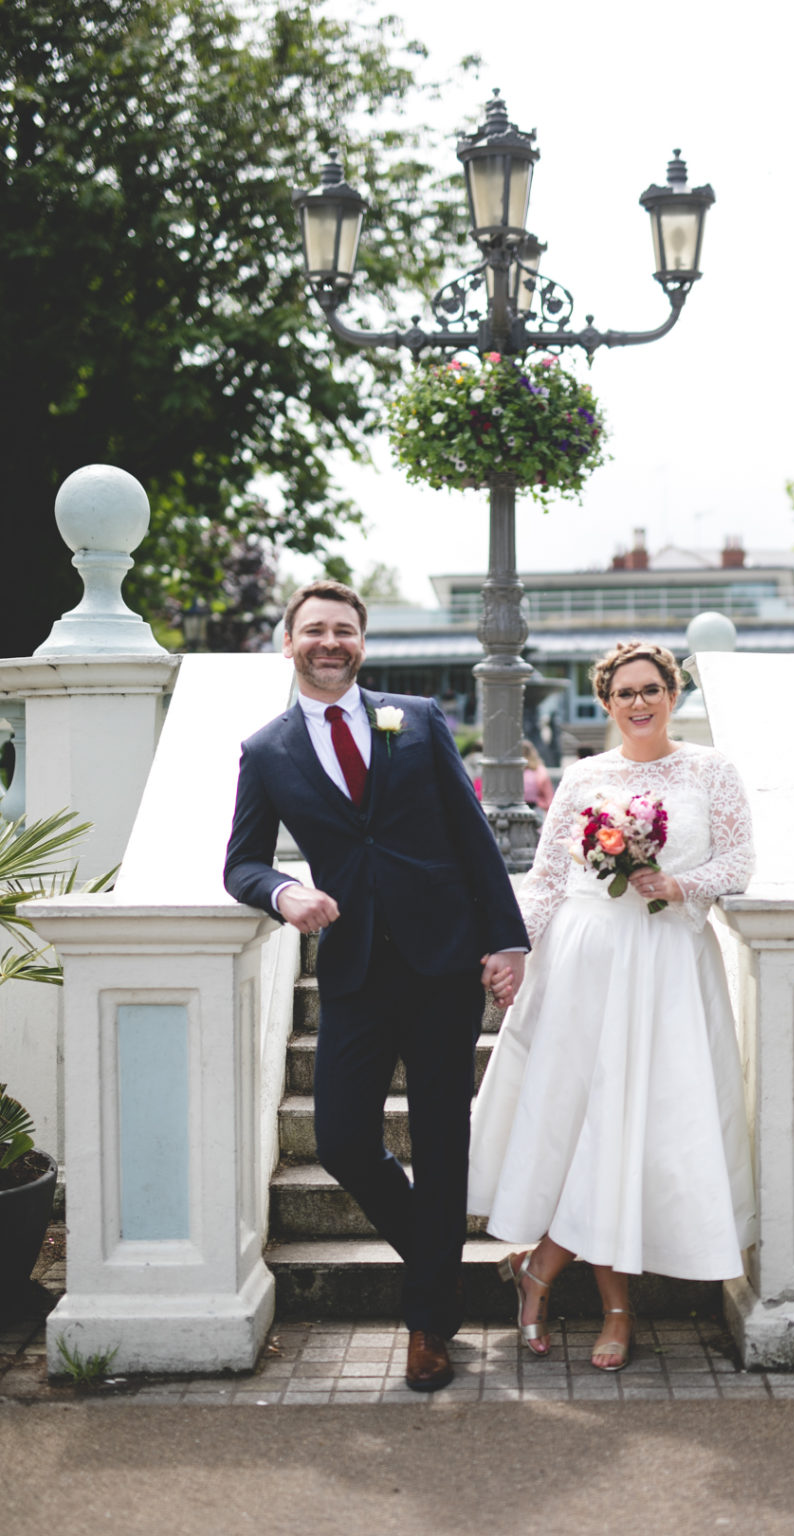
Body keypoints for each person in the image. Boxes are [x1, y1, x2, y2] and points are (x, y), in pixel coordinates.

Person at [223, 580, 528, 1393]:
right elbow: (242, 862)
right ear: (288, 643)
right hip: (354, 967)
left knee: (441, 1139)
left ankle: (427, 1323)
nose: (331, 643)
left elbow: (472, 835)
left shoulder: (416, 720)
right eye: (315, 630)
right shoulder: (267, 750)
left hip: (443, 962)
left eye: (346, 631)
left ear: (363, 642)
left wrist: (507, 939)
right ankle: (442, 1268)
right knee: (343, 1142)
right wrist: (283, 893)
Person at [468, 639, 755, 1372]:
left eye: (650, 689)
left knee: (640, 1127)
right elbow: (547, 880)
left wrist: (677, 884)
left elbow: (739, 861)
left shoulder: (710, 770)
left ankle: (542, 1275)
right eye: (623, 692)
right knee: (587, 1125)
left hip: (667, 969)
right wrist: (517, 952)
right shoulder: (586, 775)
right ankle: (602, 1304)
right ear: (606, 701)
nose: (637, 703)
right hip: (586, 963)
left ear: (673, 693)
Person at [522, 739, 554, 812]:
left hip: (524, 809)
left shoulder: (514, 772)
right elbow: (549, 797)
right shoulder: (540, 771)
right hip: (537, 808)